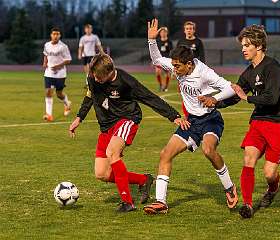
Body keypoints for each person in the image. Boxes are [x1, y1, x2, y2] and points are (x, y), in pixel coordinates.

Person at [68, 53, 189, 213]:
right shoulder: (93, 77)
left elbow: (149, 97)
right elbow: (90, 95)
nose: (95, 79)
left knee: (112, 153)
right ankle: (143, 180)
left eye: (98, 77)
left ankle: (127, 202)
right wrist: (79, 118)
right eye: (94, 76)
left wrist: (173, 116)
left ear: (109, 72)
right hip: (106, 126)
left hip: (126, 119)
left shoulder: (126, 82)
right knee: (102, 173)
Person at [198, 24, 280, 219]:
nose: (243, 49)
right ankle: (248, 205)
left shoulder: (273, 67)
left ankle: (273, 188)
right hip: (258, 121)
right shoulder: (249, 71)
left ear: (258, 46)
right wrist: (214, 102)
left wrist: (247, 98)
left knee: (269, 173)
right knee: (248, 159)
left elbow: (272, 98)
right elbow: (235, 94)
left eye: (246, 45)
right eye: (242, 45)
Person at [143, 19, 238, 215]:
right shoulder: (178, 65)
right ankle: (161, 203)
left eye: (177, 67)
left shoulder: (205, 73)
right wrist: (152, 41)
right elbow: (157, 61)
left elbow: (230, 88)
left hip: (210, 119)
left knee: (208, 150)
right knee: (165, 155)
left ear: (189, 64)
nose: (174, 70)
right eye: (174, 66)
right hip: (191, 122)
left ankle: (229, 187)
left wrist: (214, 98)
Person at [42, 27, 72, 122]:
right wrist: (45, 62)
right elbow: (46, 54)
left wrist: (58, 66)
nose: (55, 36)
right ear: (51, 35)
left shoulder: (63, 47)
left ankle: (67, 104)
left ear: (60, 35)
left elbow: (68, 60)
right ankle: (49, 114)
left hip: (60, 74)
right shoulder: (47, 45)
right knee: (48, 91)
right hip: (49, 73)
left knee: (59, 94)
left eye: (57, 34)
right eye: (54, 34)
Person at [155, 27, 173, 92]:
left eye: (164, 32)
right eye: (162, 32)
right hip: (159, 60)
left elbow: (171, 51)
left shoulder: (169, 41)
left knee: (168, 74)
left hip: (167, 60)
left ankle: (166, 87)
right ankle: (160, 85)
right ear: (160, 33)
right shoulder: (158, 41)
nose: (163, 33)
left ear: (167, 33)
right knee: (158, 72)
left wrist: (171, 60)